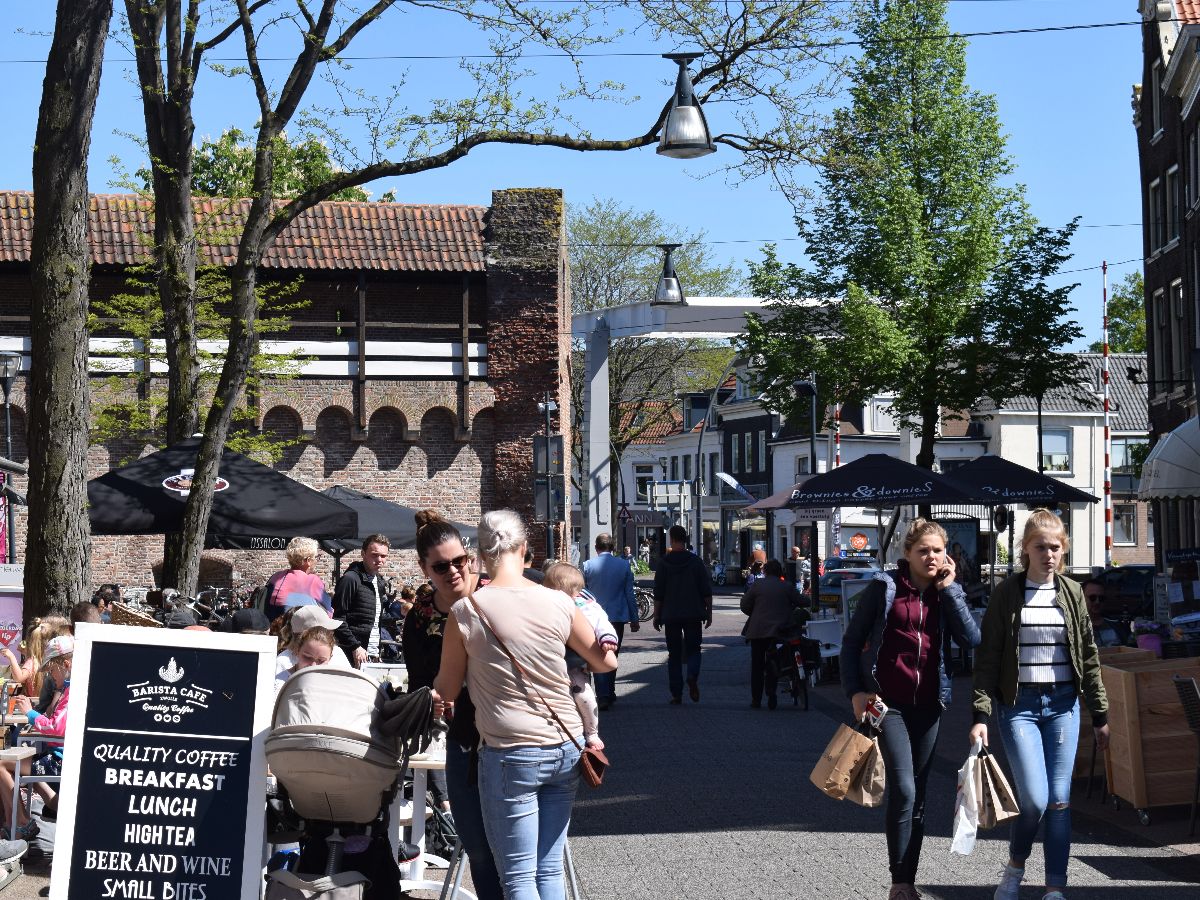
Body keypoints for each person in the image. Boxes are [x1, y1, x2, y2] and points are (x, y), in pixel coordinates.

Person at [433, 509, 616, 900]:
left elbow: (446, 691)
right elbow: (603, 662)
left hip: (509, 752)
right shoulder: (559, 603)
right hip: (565, 746)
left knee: (517, 878)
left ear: (479, 555)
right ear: (524, 548)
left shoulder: (467, 611)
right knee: (548, 870)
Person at [972, 509, 1109, 900]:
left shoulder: (1072, 593)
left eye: (1055, 547)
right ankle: (1015, 866)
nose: (1049, 554)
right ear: (1025, 550)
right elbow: (989, 658)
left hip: (1064, 705)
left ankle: (1054, 889)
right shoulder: (1006, 594)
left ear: (1063, 550)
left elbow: (1088, 656)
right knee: (1033, 799)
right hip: (1020, 705)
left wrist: (1100, 714)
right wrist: (980, 713)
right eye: (1040, 547)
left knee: (1060, 801)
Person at [841, 518, 980, 900]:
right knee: (903, 788)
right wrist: (855, 691)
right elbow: (851, 643)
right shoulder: (884, 588)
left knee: (919, 795)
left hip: (930, 704)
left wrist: (950, 589)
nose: (931, 557)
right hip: (886, 703)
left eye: (937, 550)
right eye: (924, 551)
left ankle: (907, 878)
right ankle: (899, 880)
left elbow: (971, 638)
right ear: (908, 553)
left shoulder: (946, 592)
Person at [401, 509, 503, 900]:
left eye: (460, 561)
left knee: (513, 848)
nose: (454, 572)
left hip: (509, 736)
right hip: (461, 739)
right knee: (476, 845)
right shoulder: (421, 615)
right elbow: (419, 681)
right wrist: (431, 702)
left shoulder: (498, 596)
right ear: (424, 568)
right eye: (441, 566)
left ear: (470, 556)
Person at [1, 635, 76, 840]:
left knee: (1, 765)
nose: (50, 676)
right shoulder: (69, 689)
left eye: (51, 670)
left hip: (58, 760)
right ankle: (14, 821)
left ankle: (21, 822)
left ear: (66, 664)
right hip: (57, 756)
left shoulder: (73, 690)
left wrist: (30, 714)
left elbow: (56, 728)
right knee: (9, 764)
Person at [543, 563, 618, 749]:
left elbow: (602, 622)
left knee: (585, 697)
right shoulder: (543, 605)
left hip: (575, 666)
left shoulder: (585, 606)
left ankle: (592, 732)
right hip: (552, 666)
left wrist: (606, 638)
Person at [652, 525, 713, 705]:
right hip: (694, 613)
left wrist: (656, 616)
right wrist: (709, 613)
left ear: (672, 539)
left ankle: (676, 693)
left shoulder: (663, 563)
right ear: (686, 539)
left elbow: (659, 593)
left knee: (674, 654)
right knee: (694, 649)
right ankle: (692, 675)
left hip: (670, 615)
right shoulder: (696, 562)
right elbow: (706, 591)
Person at [582, 533, 639, 710]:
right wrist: (634, 618)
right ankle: (609, 692)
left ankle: (603, 695)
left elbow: (582, 594)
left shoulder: (587, 566)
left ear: (596, 547)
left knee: (598, 655)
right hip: (617, 617)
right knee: (612, 654)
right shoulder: (623, 565)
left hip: (593, 618)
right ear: (612, 548)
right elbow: (629, 594)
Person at [740, 558, 803, 709]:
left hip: (758, 631)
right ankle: (771, 692)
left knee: (757, 665)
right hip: (778, 632)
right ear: (780, 572)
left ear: (766, 571)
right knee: (774, 662)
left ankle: (756, 699)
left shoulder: (757, 585)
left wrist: (754, 613)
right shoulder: (786, 586)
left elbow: (744, 604)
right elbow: (801, 600)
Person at [332, 533, 391, 667]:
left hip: (372, 653)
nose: (379, 559)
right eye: (374, 555)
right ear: (363, 554)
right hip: (351, 653)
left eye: (383, 556)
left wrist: (376, 650)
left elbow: (375, 621)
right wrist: (355, 646)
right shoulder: (350, 579)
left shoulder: (379, 581)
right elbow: (338, 618)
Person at [264, 537, 333, 619]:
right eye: (316, 557)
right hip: (301, 629)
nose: (317, 560)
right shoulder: (312, 581)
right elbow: (328, 614)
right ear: (308, 561)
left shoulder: (276, 577)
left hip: (274, 628)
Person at [274, 626, 337, 693]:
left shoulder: (334, 686)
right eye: (308, 657)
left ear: (330, 658)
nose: (313, 666)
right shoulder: (280, 683)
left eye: (321, 660)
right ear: (297, 651)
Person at [1083, 578, 1122, 647]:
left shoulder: (1116, 626)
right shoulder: (1074, 627)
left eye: (1101, 598)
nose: (1097, 602)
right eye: (1092, 597)